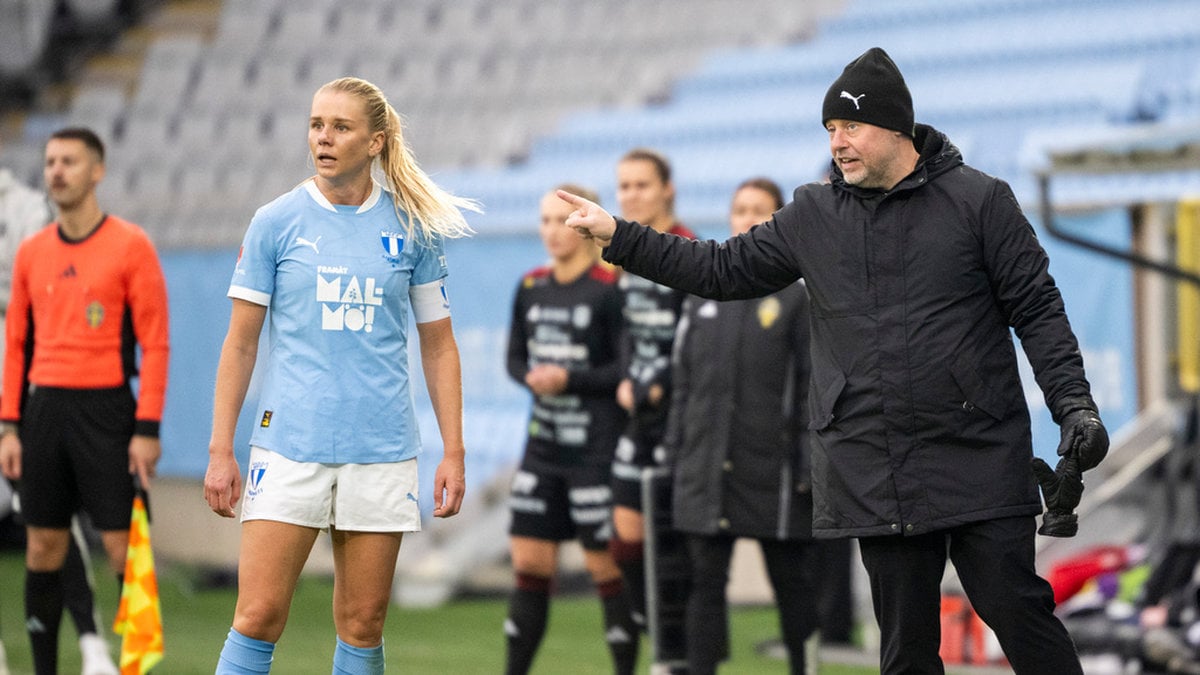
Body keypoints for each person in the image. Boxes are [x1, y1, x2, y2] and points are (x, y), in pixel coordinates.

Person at [559, 47, 1110, 674]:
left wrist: (1074, 404)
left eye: (851, 126)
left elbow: (1037, 309)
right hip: (875, 464)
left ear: (896, 128)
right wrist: (620, 236)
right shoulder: (812, 213)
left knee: (1020, 616)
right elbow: (720, 269)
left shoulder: (982, 201)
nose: (837, 143)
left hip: (977, 454)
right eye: (830, 129)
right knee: (904, 653)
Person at [202, 76, 476, 675]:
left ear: (375, 142)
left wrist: (453, 452)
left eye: (340, 127)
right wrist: (221, 448)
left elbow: (439, 347)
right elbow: (240, 344)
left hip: (382, 449)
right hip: (288, 444)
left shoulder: (412, 227)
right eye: (316, 125)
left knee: (363, 624)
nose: (323, 138)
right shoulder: (275, 221)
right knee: (257, 614)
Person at [0, 128, 169, 675]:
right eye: (50, 161)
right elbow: (16, 345)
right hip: (43, 413)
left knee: (126, 550)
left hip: (108, 414)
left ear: (97, 171)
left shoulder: (130, 245)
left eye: (69, 161)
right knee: (42, 549)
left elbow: (156, 343)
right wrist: (9, 426)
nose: (56, 171)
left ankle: (137, 666)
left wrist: (147, 428)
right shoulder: (32, 253)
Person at [664, 177, 832, 674]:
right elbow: (682, 386)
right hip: (707, 469)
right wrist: (676, 452)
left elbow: (812, 390)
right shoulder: (701, 295)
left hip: (775, 476)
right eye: (740, 209)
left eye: (759, 210)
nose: (747, 219)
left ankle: (805, 667)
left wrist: (808, 468)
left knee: (792, 586)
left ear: (779, 221)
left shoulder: (799, 298)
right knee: (704, 585)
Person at [502, 184, 638, 674]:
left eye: (561, 221)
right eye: (543, 220)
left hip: (596, 453)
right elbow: (514, 359)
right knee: (529, 566)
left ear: (584, 225)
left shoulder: (610, 288)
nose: (551, 232)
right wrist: (531, 377)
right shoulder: (530, 286)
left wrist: (569, 380)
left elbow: (624, 370)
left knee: (605, 567)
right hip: (542, 450)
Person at [607, 148, 695, 672]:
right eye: (624, 186)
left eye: (642, 185)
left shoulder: (686, 248)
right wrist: (626, 376)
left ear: (667, 190)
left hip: (679, 417)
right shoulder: (625, 256)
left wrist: (660, 382)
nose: (631, 195)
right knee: (625, 538)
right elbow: (625, 329)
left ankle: (676, 652)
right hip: (635, 415)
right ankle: (654, 628)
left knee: (672, 546)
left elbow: (697, 333)